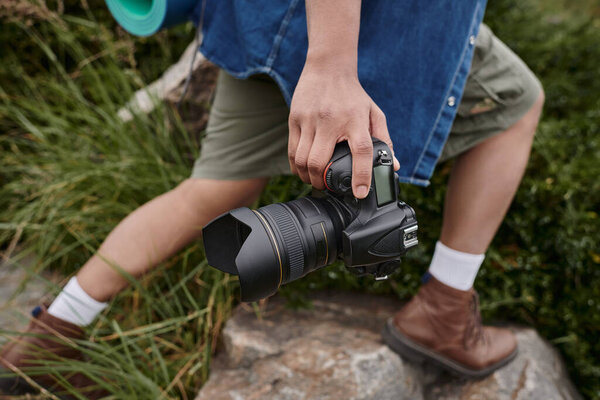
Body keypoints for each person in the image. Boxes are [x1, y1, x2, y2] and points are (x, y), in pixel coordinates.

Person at [0, 0, 544, 397]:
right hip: (377, 25)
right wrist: (330, 66)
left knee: (211, 190)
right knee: (517, 102)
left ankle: (53, 333)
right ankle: (445, 307)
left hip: (262, 18)